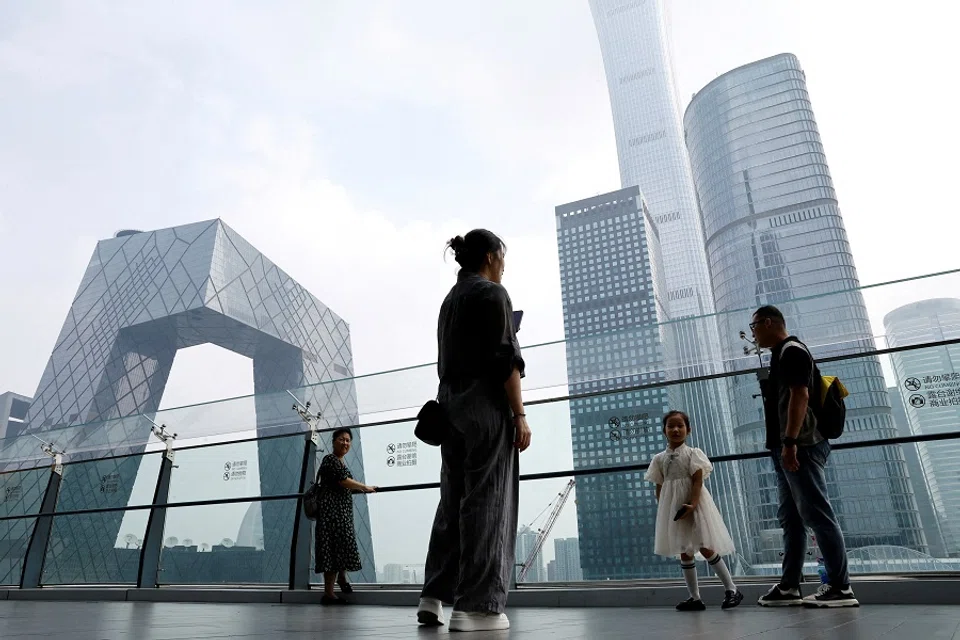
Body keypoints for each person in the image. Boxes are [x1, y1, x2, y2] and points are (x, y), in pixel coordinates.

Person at [416, 229, 531, 633]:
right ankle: (477, 608)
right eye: (502, 256)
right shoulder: (494, 294)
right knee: (487, 501)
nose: (504, 265)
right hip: (485, 410)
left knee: (453, 501)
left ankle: (434, 597)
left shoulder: (450, 301)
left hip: (450, 410)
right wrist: (519, 414)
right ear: (489, 256)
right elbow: (505, 360)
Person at [750, 305, 859, 608]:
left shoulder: (792, 351)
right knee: (792, 519)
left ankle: (841, 587)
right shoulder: (781, 354)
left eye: (755, 325)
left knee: (817, 514)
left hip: (801, 446)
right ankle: (789, 587)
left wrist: (789, 442)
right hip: (787, 446)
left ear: (769, 322)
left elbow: (801, 395)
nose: (754, 333)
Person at [645, 410, 742, 611]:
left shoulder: (693, 454)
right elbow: (660, 488)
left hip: (694, 505)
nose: (675, 429)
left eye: (680, 425)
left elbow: (697, 482)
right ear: (664, 430)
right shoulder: (659, 459)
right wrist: (664, 510)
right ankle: (695, 597)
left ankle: (732, 588)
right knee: (684, 551)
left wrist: (694, 504)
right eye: (670, 426)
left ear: (688, 430)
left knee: (705, 546)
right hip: (675, 509)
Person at [314, 427, 377, 605]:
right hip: (331, 516)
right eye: (341, 439)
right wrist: (364, 487)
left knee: (340, 548)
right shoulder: (330, 460)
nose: (345, 443)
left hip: (341, 515)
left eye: (348, 440)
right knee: (332, 551)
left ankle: (341, 579)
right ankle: (328, 594)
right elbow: (343, 481)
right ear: (333, 441)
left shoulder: (341, 462)